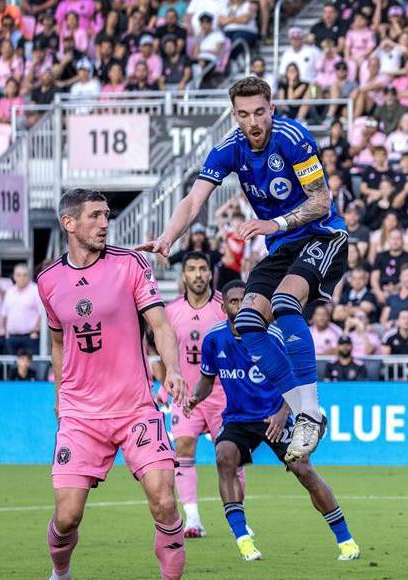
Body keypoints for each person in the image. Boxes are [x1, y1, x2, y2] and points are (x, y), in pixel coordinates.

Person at [138, 77, 346, 461]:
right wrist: (168, 237)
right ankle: (304, 411)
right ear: (234, 115)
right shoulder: (229, 149)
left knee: (284, 304)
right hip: (282, 247)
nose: (254, 122)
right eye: (244, 114)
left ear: (272, 108)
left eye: (260, 112)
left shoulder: (292, 137)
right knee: (248, 323)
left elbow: (321, 201)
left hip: (321, 236)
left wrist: (275, 223)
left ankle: (310, 412)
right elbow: (194, 200)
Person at [37, 189, 187, 580]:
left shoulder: (131, 264)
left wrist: (172, 369)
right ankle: (60, 573)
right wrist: (59, 397)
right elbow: (57, 341)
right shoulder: (48, 280)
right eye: (95, 216)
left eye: (107, 215)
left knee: (164, 501)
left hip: (135, 407)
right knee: (67, 517)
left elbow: (160, 325)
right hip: (80, 414)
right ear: (69, 223)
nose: (105, 223)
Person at [186, 280, 360, 561]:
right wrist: (194, 398)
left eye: (246, 300)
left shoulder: (273, 337)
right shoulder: (213, 339)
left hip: (275, 414)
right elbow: (206, 381)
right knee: (224, 456)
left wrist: (282, 414)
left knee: (302, 469)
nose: (241, 305)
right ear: (223, 307)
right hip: (239, 419)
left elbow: (294, 383)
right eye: (234, 301)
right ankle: (243, 539)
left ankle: (346, 540)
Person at [159, 251, 238, 538]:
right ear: (184, 275)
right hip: (185, 395)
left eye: (202, 269)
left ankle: (238, 519)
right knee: (182, 449)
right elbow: (161, 352)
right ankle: (192, 519)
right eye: (191, 269)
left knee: (230, 455)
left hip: (222, 395)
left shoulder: (223, 307)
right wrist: (165, 384)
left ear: (210, 274)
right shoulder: (170, 311)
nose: (198, 274)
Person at [0, 262, 41, 355]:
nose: (21, 278)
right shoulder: (10, 292)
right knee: (12, 367)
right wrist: (7, 333)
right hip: (12, 338)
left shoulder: (35, 290)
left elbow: (42, 313)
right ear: (14, 277)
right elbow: (5, 314)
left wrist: (36, 331)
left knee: (32, 366)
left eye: (24, 275)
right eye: (18, 275)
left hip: (30, 337)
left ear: (29, 276)